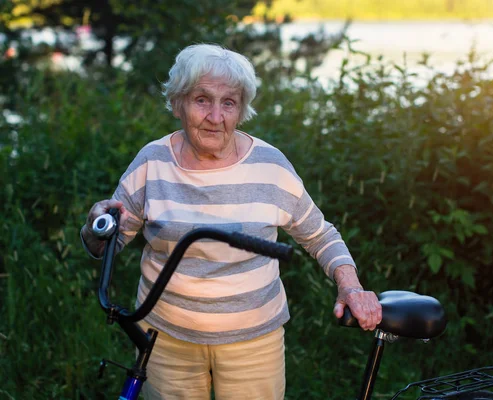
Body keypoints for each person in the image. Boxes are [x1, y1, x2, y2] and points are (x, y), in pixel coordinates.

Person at [81, 43, 382, 400]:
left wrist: (350, 286)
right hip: (164, 339)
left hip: (254, 343)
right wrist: (96, 227)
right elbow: (109, 242)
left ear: (241, 110)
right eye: (202, 99)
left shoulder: (270, 166)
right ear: (178, 104)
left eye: (228, 102)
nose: (215, 116)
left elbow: (320, 235)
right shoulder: (152, 162)